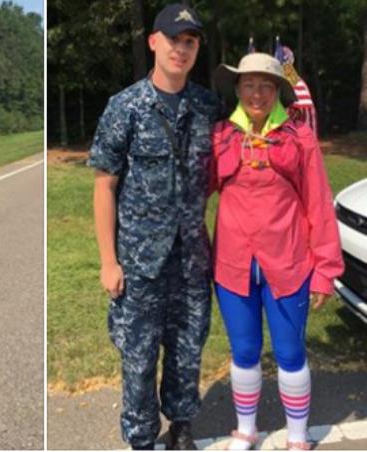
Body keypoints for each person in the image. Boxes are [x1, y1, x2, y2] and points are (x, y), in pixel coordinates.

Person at [88, 3, 220, 450]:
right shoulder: (125, 108)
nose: (180, 50)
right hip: (140, 263)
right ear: (153, 42)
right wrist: (109, 261)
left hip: (192, 260)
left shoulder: (207, 106)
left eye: (190, 42)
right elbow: (104, 187)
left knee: (187, 351)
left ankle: (182, 426)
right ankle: (142, 438)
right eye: (173, 40)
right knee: (139, 359)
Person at [211, 53, 344, 450]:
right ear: (237, 88)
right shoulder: (220, 136)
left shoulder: (298, 138)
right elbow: (192, 192)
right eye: (249, 84)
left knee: (289, 352)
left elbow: (319, 203)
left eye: (266, 85)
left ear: (278, 92)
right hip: (233, 265)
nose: (257, 93)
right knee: (245, 350)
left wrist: (325, 269)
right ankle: (246, 428)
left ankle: (299, 435)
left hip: (288, 265)